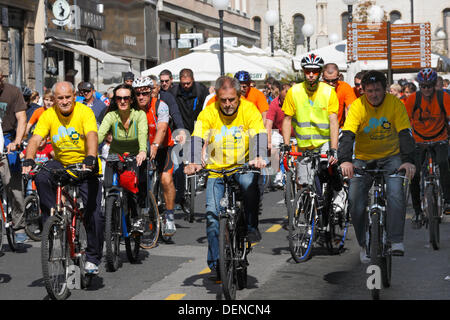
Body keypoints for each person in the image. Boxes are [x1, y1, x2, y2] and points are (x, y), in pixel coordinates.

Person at [184, 76, 268, 279]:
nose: (228, 104)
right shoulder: (209, 112)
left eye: (232, 99)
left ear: (239, 96)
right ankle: (217, 262)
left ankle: (250, 226)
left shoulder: (249, 110)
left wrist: (258, 156)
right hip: (216, 170)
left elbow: (258, 133)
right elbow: (197, 136)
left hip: (243, 167)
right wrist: (194, 160)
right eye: (223, 100)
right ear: (217, 98)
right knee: (213, 216)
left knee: (249, 185)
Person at [23, 81, 104, 274]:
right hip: (62, 163)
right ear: (54, 99)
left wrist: (91, 157)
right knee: (41, 175)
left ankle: (93, 257)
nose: (65, 101)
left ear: (74, 96)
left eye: (68, 97)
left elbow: (92, 134)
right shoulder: (49, 115)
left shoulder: (84, 112)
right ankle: (54, 220)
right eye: (60, 98)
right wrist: (28, 159)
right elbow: (35, 138)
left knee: (94, 214)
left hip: (85, 163)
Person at [338, 70, 416, 262]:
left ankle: (396, 239)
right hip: (363, 159)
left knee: (396, 192)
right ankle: (364, 243)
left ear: (385, 90)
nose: (374, 94)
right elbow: (347, 135)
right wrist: (345, 160)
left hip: (391, 156)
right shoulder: (357, 106)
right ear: (363, 91)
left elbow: (405, 134)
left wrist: (408, 160)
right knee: (355, 201)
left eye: (378, 90)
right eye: (370, 91)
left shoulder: (395, 104)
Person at [281, 53, 339, 189]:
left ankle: (335, 196)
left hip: (324, 142)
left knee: (327, 170)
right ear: (303, 71)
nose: (311, 74)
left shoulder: (329, 92)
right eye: (307, 71)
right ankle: (305, 206)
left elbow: (333, 121)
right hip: (304, 144)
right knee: (304, 183)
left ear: (320, 73)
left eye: (315, 71)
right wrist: (286, 145)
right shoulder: (294, 91)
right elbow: (287, 119)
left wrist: (334, 148)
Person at [98, 83, 148, 232]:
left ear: (132, 99)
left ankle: (137, 217)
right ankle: (111, 219)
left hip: (134, 154)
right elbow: (100, 135)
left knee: (133, 188)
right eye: (119, 98)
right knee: (108, 186)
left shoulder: (139, 115)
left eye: (126, 98)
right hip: (115, 155)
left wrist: (142, 151)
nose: (122, 101)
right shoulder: (111, 116)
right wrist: (90, 150)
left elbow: (143, 134)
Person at [132, 77, 178, 235]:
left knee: (166, 179)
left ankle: (170, 216)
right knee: (136, 181)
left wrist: (155, 145)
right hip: (141, 150)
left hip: (164, 147)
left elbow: (162, 128)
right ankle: (138, 215)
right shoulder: (131, 108)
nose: (141, 97)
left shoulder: (160, 106)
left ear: (151, 92)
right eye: (137, 94)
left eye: (144, 93)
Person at [404, 68, 450, 220]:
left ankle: (448, 201)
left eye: (429, 86)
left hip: (440, 139)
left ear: (434, 84)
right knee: (414, 174)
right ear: (419, 86)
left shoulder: (443, 97)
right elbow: (404, 121)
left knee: (444, 163)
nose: (426, 89)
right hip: (419, 141)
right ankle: (417, 211)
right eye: (423, 86)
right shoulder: (413, 99)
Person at [0, 70, 27, 243]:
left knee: (13, 185)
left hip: (7, 139)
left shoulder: (13, 92)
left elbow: (22, 118)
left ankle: (19, 225)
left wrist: (16, 141)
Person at [265, 82, 291, 187]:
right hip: (278, 132)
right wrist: (269, 142)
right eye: (284, 99)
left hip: (294, 132)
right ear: (279, 93)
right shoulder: (274, 104)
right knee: (274, 149)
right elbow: (269, 123)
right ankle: (278, 171)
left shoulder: (297, 102)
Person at [322, 63, 357, 128]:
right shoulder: (318, 88)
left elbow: (351, 107)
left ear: (339, 76)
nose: (330, 83)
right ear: (322, 77)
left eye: (334, 80)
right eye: (327, 80)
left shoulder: (344, 87)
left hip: (338, 127)